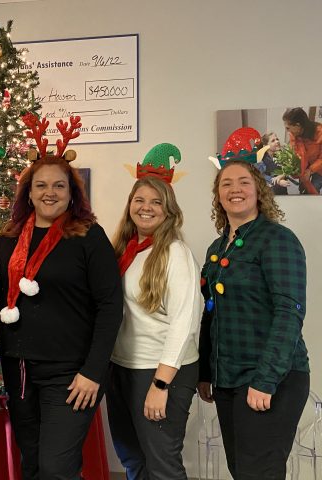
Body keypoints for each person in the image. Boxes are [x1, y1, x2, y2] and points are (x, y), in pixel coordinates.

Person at [0, 114, 123, 479]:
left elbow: (110, 306)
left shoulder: (88, 236)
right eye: (40, 185)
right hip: (19, 369)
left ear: (72, 193)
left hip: (71, 373)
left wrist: (93, 371)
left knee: (56, 468)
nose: (49, 193)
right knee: (32, 462)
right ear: (28, 192)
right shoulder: (8, 237)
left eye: (59, 186)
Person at [198, 159, 309, 479]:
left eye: (244, 182)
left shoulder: (277, 239)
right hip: (227, 379)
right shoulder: (216, 250)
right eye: (226, 183)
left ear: (259, 190)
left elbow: (290, 313)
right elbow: (210, 314)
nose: (235, 189)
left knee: (259, 472)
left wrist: (266, 380)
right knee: (241, 470)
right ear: (218, 195)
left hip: (272, 377)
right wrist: (206, 372)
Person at [107, 159, 201, 479]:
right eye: (139, 200)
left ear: (168, 210)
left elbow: (184, 321)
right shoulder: (125, 249)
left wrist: (161, 383)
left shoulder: (175, 253)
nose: (146, 208)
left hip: (160, 370)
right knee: (132, 457)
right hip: (122, 367)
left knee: (162, 464)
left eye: (156, 202)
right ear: (130, 205)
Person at [282, 107, 322, 194]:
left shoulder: (320, 132)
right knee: (303, 188)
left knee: (314, 188)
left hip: (320, 168)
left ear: (298, 125)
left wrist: (310, 170)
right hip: (305, 165)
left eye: (288, 128)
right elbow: (294, 151)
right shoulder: (294, 133)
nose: (287, 131)